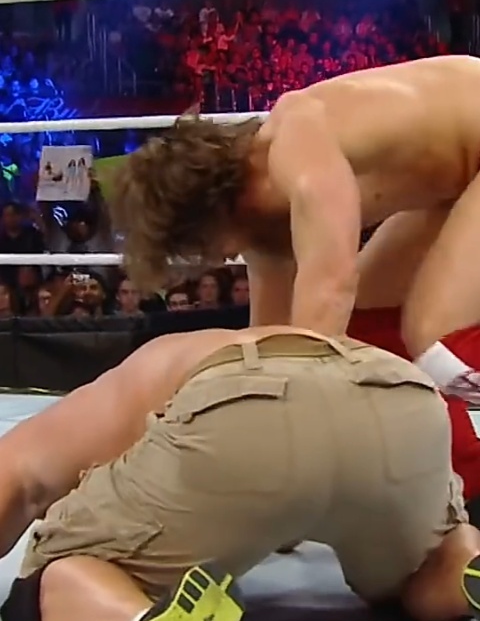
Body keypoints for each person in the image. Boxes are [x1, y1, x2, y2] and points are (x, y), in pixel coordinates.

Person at [2, 325, 480, 621]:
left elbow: (18, 476)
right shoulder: (199, 351)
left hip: (241, 406)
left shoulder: (130, 381)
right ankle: (463, 567)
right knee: (427, 562)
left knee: (48, 581)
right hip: (400, 395)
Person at [111, 55, 480, 411]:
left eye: (197, 245)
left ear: (208, 212)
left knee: (435, 335)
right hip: (457, 183)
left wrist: (297, 417)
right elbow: (274, 346)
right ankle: (437, 444)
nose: (214, 260)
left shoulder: (297, 145)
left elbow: (331, 287)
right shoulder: (259, 229)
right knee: (365, 323)